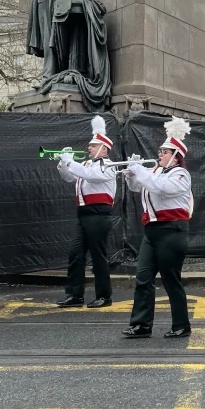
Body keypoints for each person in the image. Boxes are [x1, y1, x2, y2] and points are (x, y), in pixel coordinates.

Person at [121, 116, 194, 338]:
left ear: (175, 156)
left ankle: (181, 325)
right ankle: (141, 324)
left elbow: (160, 188)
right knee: (143, 278)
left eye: (164, 152)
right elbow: (138, 187)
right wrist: (132, 174)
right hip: (152, 232)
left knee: (171, 281)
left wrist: (140, 171)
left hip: (172, 231)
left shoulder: (181, 175)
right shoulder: (155, 172)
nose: (159, 155)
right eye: (160, 151)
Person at [56, 115, 116, 308]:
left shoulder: (108, 166)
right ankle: (75, 295)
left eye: (92, 145)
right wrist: (64, 163)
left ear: (103, 148)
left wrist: (71, 163)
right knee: (75, 254)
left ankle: (104, 296)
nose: (88, 148)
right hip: (83, 214)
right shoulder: (86, 165)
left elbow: (91, 176)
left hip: (99, 214)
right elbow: (68, 177)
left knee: (98, 256)